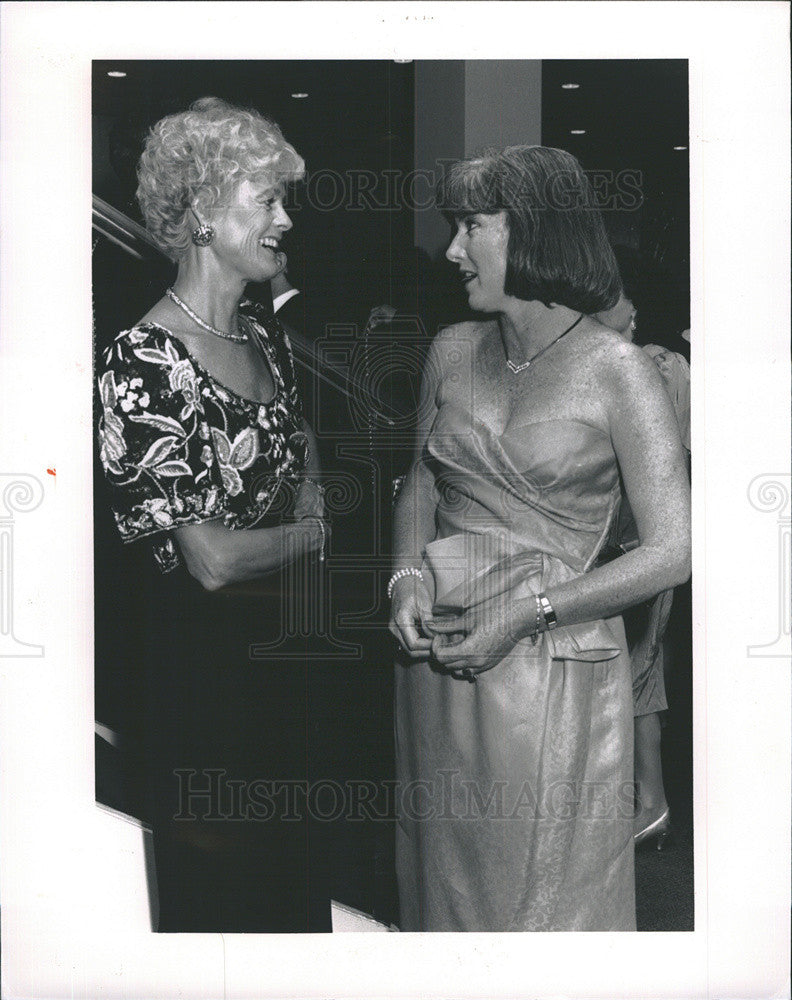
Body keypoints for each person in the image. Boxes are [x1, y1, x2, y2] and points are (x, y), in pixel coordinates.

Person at [388, 146, 690, 932]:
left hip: (555, 672)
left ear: (536, 233)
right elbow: (419, 481)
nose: (454, 250)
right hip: (437, 664)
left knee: (541, 913)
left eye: (472, 227)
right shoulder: (452, 349)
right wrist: (403, 580)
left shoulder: (620, 371)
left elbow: (672, 549)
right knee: (442, 897)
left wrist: (529, 612)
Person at [96, 97, 330, 932]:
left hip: (283, 679)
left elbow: (299, 447)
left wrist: (306, 503)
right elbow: (211, 559)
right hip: (196, 698)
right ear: (201, 212)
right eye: (266, 199)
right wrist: (314, 534)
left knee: (296, 913)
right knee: (224, 927)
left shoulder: (265, 339)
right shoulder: (143, 361)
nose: (284, 219)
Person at [595, 246, 691, 848]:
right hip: (636, 545)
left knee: (626, 677)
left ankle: (635, 806)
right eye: (621, 323)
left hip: (637, 547)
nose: (632, 328)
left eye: (632, 320)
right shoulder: (650, 368)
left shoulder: (657, 370)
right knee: (641, 678)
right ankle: (650, 805)